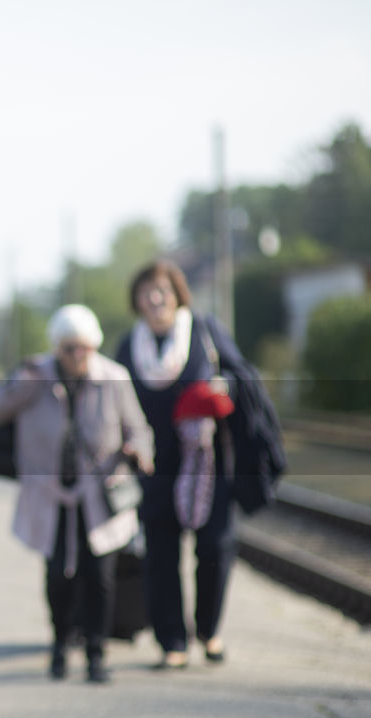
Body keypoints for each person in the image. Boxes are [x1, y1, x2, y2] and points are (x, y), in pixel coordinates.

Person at [0, 305, 152, 683]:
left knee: (100, 576)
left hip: (99, 494)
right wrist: (20, 385)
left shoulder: (113, 377)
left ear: (94, 347)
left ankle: (96, 653)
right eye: (69, 347)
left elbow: (139, 429)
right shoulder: (35, 375)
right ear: (57, 347)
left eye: (85, 348)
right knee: (58, 576)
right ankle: (59, 646)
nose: (77, 355)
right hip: (50, 496)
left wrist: (140, 452)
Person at [114, 260, 247, 670]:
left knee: (215, 548)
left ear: (177, 296)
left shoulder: (205, 332)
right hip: (154, 467)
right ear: (137, 300)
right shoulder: (127, 347)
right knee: (160, 557)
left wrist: (220, 392)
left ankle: (209, 631)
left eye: (164, 291)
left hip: (206, 465)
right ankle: (172, 642)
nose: (156, 299)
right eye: (147, 292)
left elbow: (241, 379)